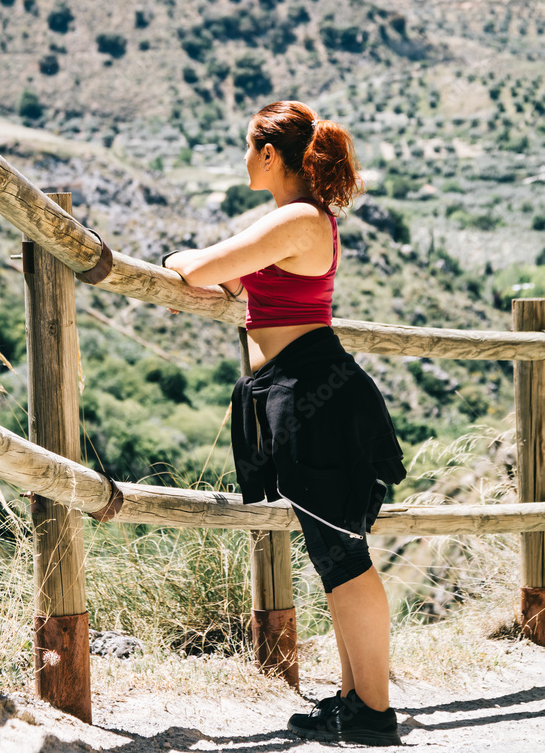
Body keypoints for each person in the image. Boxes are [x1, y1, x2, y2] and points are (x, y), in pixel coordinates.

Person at [162, 100, 406, 747]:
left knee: (343, 555)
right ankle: (355, 701)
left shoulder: (298, 219)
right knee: (333, 555)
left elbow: (199, 268)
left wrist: (185, 260)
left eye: (248, 147)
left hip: (310, 395)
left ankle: (374, 714)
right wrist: (213, 276)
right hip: (293, 392)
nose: (243, 159)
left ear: (270, 154)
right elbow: (239, 289)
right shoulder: (286, 223)